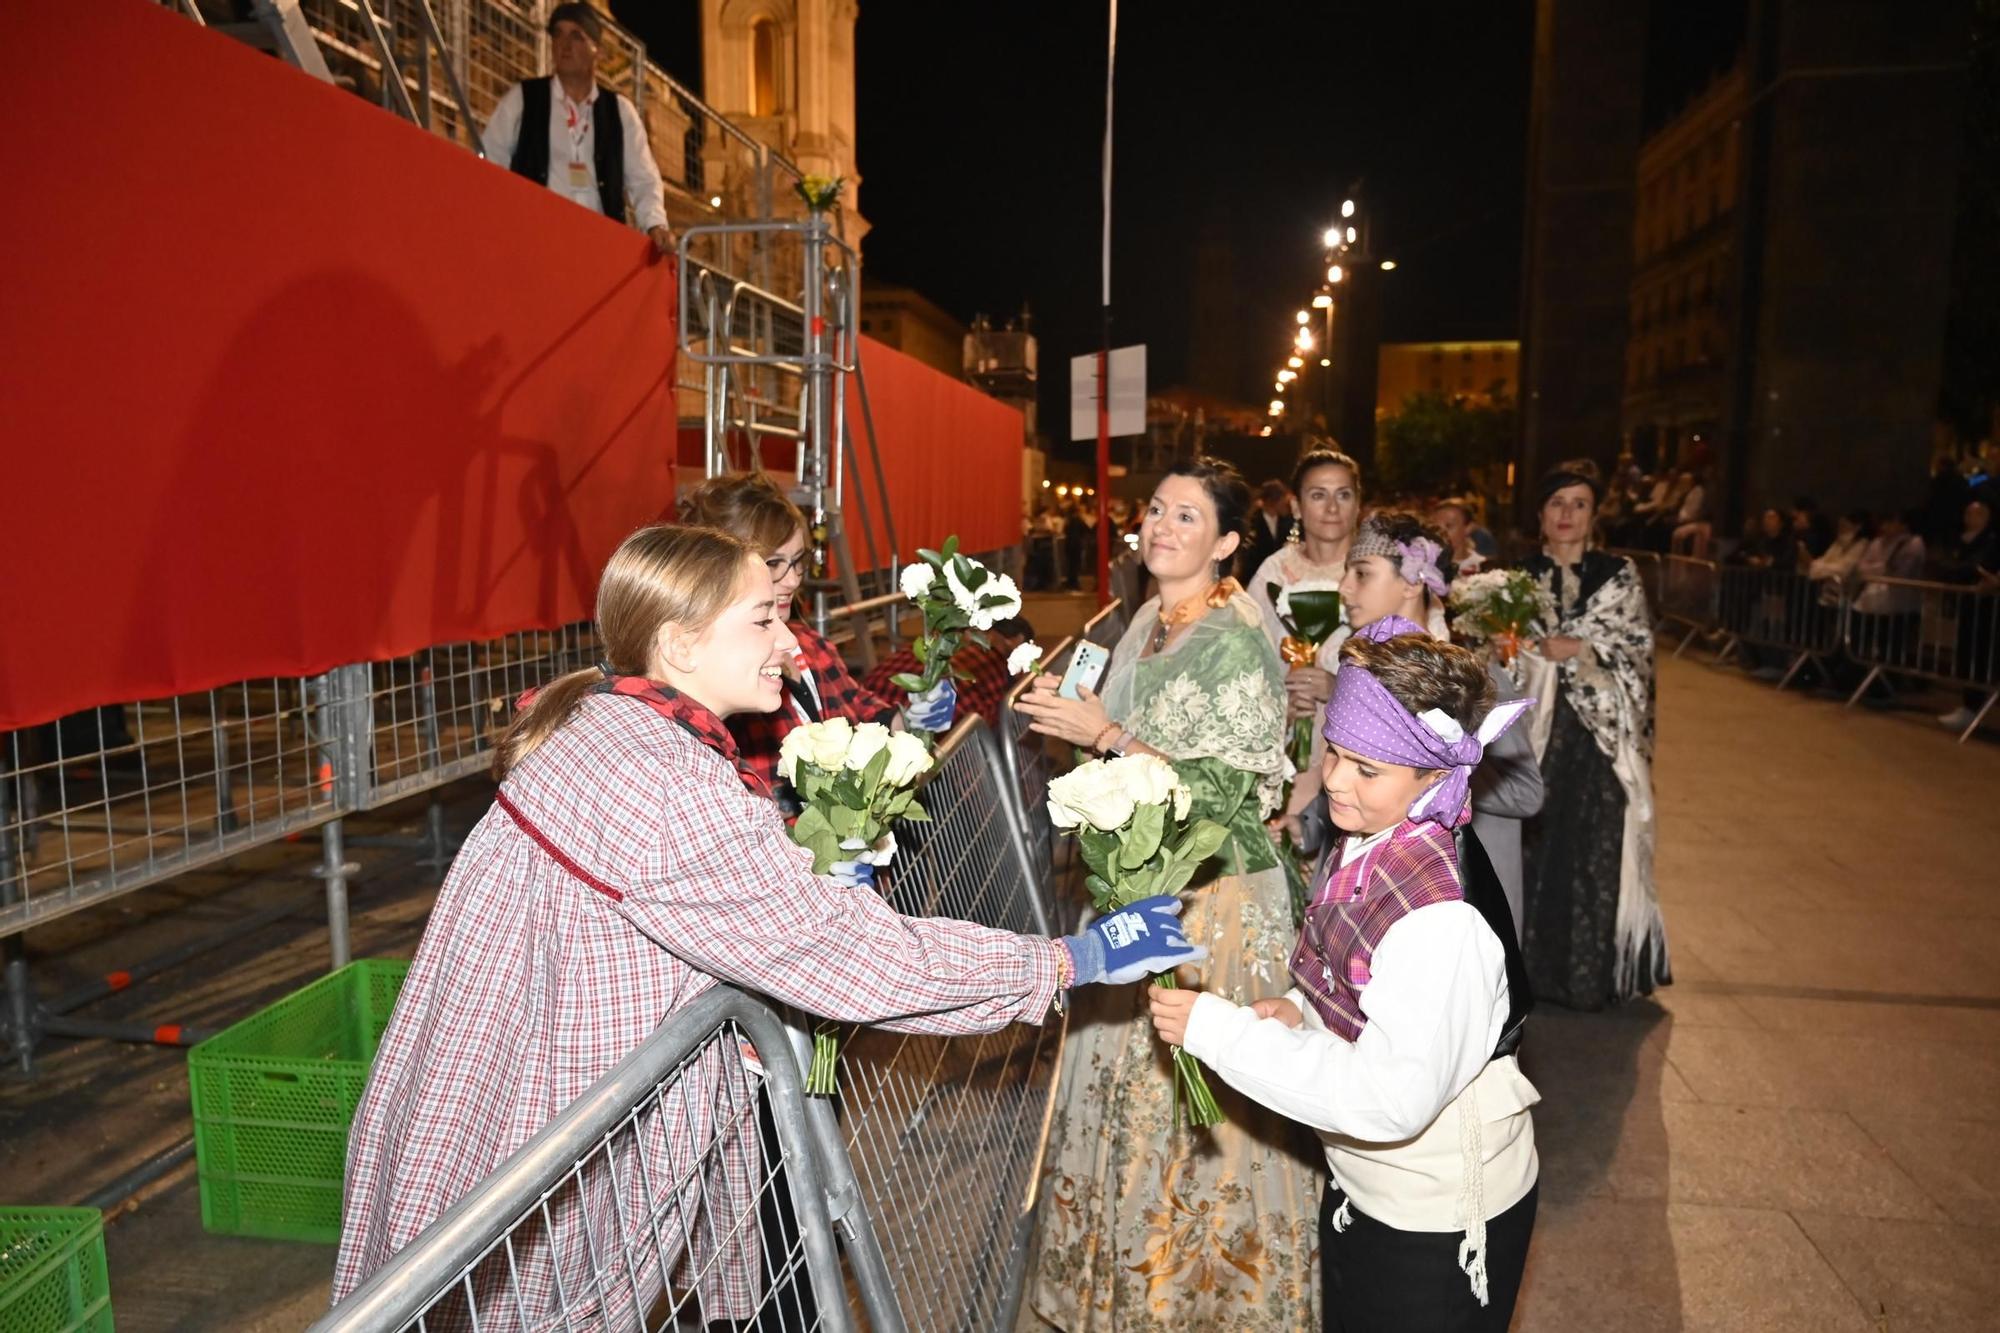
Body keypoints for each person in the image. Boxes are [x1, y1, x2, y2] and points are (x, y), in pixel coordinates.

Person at [330, 525, 1203, 1323]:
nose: (790, 642)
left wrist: (796, 876)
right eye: (762, 620)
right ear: (680, 642)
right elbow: (852, 955)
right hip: (545, 1151)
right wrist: (1062, 960)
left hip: (501, 1117)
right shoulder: (668, 782)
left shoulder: (603, 723)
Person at [1148, 620, 1541, 1333]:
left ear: (1434, 777)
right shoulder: (1377, 833)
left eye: (1367, 768)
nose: (1333, 780)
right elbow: (1355, 971)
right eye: (1334, 750)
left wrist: (1221, 1032)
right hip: (1373, 1190)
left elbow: (1389, 1099)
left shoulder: (1441, 922)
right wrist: (1304, 1008)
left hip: (1436, 1219)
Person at [1016, 458, 1322, 1330]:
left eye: (1188, 517)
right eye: (1156, 509)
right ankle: (1116, 1293)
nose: (1161, 526)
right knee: (1124, 1097)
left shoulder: (1237, 639)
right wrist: (1071, 726)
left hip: (1214, 905)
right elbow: (1120, 767)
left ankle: (1201, 1304)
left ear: (1226, 542)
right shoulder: (1147, 617)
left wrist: (1106, 733)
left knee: (1198, 1115)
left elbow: (1230, 798)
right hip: (1142, 888)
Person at [678, 474, 956, 805]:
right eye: (773, 563)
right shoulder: (724, 675)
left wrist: (909, 720)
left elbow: (859, 713)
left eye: (798, 561)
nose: (793, 579)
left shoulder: (808, 642)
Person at [1337, 513, 1543, 935]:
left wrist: (1446, 761)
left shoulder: (1468, 677)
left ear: (1413, 582)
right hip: (1374, 895)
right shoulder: (1360, 665)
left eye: (1361, 574)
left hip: (1455, 902)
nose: (1344, 588)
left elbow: (1527, 794)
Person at [1516, 462, 1670, 1009]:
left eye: (1579, 504)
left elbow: (1637, 653)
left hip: (1600, 739)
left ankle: (1588, 976)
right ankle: (1526, 973)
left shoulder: (1618, 575)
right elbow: (1496, 653)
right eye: (1557, 503)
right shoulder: (1516, 578)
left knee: (1594, 850)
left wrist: (1583, 650)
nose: (1566, 515)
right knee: (1534, 848)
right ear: (1540, 513)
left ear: (1594, 515)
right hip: (1535, 735)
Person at [480, 3, 673, 254]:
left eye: (576, 36)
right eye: (558, 34)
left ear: (598, 51)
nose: (565, 44)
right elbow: (490, 161)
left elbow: (644, 179)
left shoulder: (620, 112)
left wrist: (655, 223)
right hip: (536, 243)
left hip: (599, 246)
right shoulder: (523, 99)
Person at [1248, 448, 1364, 832]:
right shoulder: (1274, 571)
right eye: (1318, 495)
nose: (1332, 507)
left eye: (1343, 494)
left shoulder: (1375, 573)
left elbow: (1410, 670)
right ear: (1296, 506)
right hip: (1283, 739)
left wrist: (1339, 688)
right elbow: (1247, 662)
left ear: (1358, 503)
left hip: (1360, 749)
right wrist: (1281, 700)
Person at [861, 615, 1035, 729]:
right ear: (1015, 640)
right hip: (926, 747)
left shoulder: (930, 644)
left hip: (865, 720)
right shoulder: (992, 664)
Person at [1932, 499, 1999, 731]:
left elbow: (1974, 567)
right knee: (1968, 654)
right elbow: (1946, 565)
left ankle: (1974, 706)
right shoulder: (1958, 539)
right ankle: (1969, 705)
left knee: (1980, 657)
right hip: (1970, 605)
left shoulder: (1990, 541)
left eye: (1977, 514)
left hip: (1986, 610)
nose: (1970, 518)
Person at [1246, 477, 1295, 574]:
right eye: (1283, 501)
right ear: (1272, 501)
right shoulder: (1253, 522)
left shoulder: (1288, 521)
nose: (1286, 504)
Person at [1431, 497, 1489, 579]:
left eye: (1449, 526)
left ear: (1468, 528)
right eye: (1436, 527)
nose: (1441, 532)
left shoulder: (1481, 567)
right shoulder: (1428, 566)